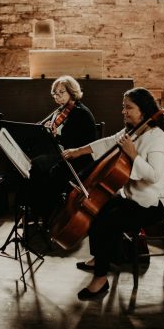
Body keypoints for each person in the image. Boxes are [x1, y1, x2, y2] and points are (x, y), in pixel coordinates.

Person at [62, 87, 164, 300]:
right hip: (131, 197)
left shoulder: (156, 137)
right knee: (95, 208)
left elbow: (155, 176)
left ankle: (100, 280)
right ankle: (99, 257)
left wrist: (133, 154)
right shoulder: (133, 130)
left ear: (144, 110)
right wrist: (77, 152)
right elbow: (108, 142)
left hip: (151, 204)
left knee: (105, 222)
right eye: (123, 107)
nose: (124, 112)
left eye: (129, 108)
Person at [29, 75, 97, 221]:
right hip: (65, 153)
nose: (57, 96)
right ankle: (39, 209)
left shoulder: (80, 112)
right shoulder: (63, 110)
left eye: (61, 92)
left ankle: (43, 212)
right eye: (55, 93)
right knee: (36, 163)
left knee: (39, 167)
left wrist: (55, 135)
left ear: (72, 92)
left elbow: (75, 142)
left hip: (78, 159)